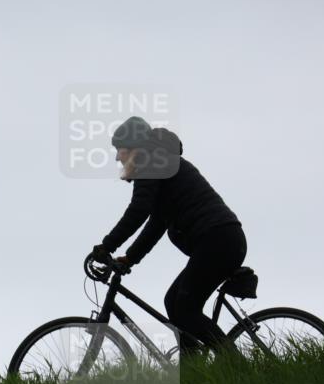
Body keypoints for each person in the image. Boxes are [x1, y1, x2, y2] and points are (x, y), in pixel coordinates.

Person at [93, 116, 247, 357]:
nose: (117, 158)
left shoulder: (152, 162)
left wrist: (107, 245)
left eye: (119, 150)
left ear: (134, 147)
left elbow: (138, 211)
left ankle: (237, 366)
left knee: (185, 309)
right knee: (173, 302)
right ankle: (192, 368)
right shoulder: (160, 163)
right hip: (221, 241)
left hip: (217, 241)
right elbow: (156, 223)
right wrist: (129, 258)